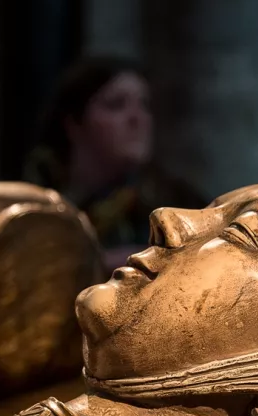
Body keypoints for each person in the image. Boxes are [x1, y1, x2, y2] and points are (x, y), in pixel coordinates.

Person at [24, 55, 208, 269]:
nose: (137, 118)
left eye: (144, 105)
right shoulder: (36, 208)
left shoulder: (180, 204)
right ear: (74, 123)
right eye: (116, 105)